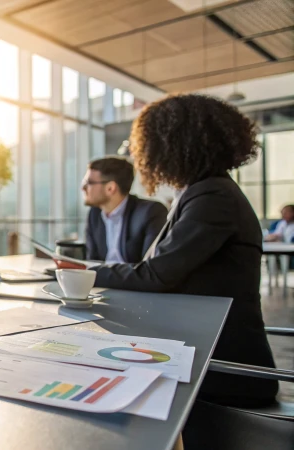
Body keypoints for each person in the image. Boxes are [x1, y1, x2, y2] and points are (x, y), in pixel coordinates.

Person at [87, 94, 278, 407]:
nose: (138, 153)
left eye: (143, 144)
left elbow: (156, 275)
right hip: (201, 354)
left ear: (170, 143)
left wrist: (85, 272)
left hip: (224, 373)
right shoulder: (202, 191)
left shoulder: (213, 196)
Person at [82, 156, 167, 263]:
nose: (83, 188)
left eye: (89, 183)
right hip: (101, 278)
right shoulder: (94, 214)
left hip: (131, 279)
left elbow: (149, 267)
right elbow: (92, 262)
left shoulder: (151, 212)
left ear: (110, 188)